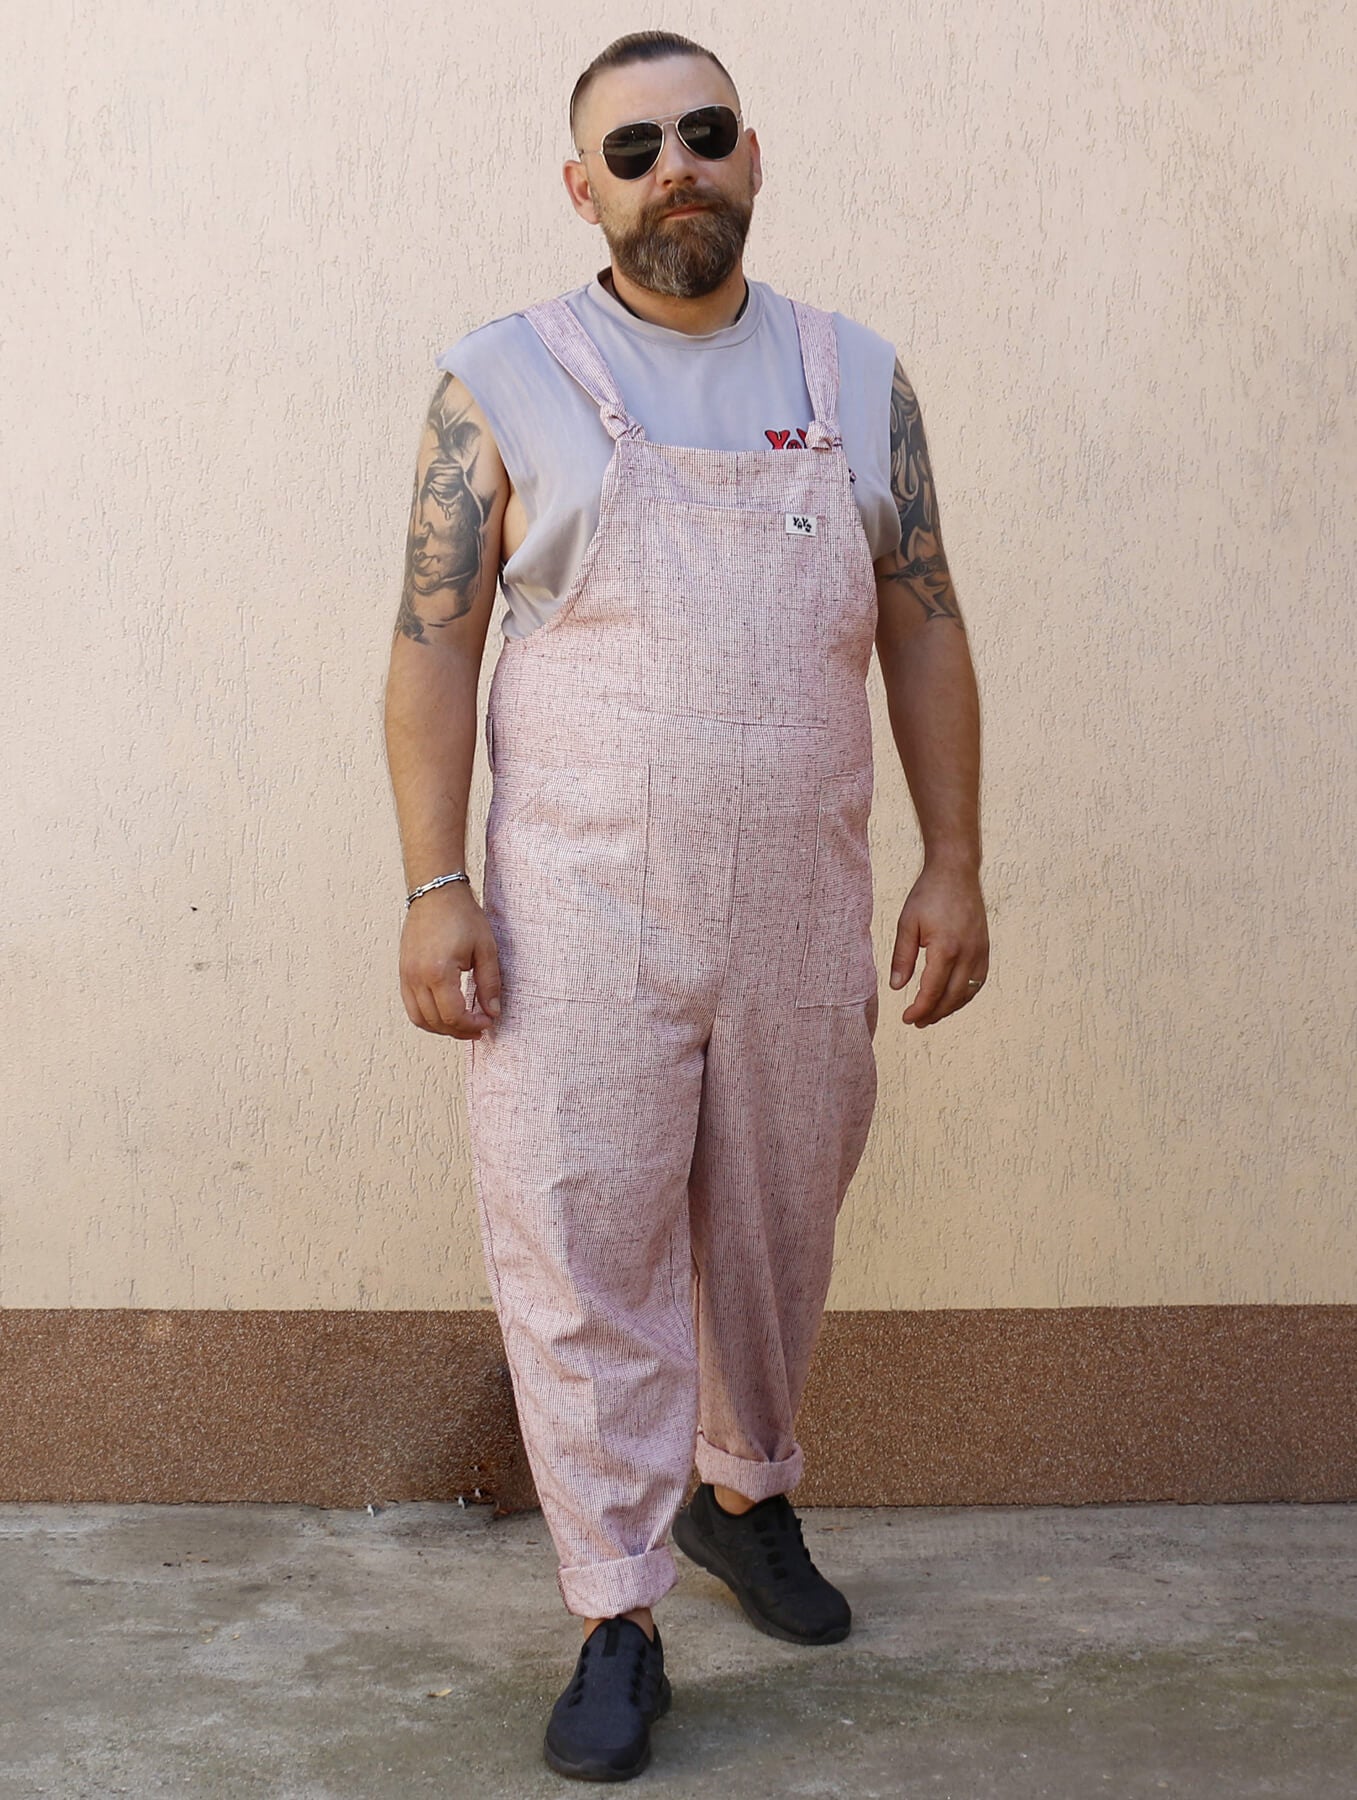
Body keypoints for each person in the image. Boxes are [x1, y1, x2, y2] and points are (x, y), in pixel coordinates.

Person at [383, 29, 989, 1783]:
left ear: (750, 155)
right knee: (584, 1252)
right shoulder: (503, 379)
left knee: (778, 1225)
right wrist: (434, 886)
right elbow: (431, 650)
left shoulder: (853, 372)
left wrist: (952, 858)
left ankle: (743, 1496)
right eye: (632, 147)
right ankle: (615, 1610)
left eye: (703, 135)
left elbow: (925, 623)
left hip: (802, 904)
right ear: (584, 189)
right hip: (574, 912)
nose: (675, 169)